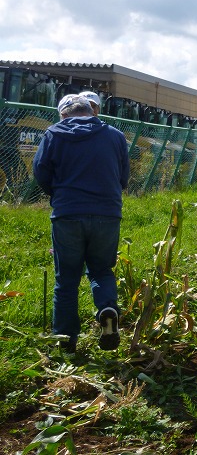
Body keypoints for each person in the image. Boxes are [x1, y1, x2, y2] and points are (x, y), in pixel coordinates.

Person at [33, 94, 130, 353]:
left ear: (64, 114)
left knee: (66, 280)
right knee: (101, 269)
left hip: (67, 214)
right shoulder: (115, 136)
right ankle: (107, 308)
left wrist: (60, 195)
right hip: (108, 214)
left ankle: (66, 342)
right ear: (92, 111)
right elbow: (123, 177)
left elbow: (41, 172)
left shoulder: (53, 134)